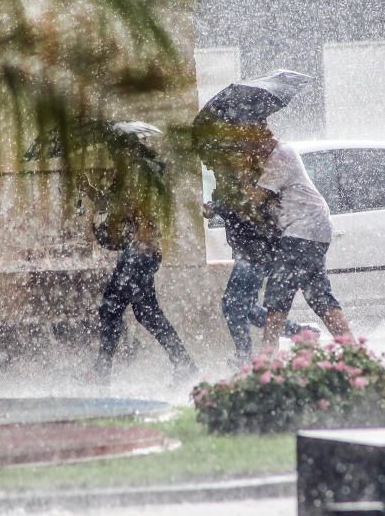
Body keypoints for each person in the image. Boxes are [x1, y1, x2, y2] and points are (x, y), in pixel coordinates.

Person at [80, 122, 198, 386]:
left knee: (111, 307)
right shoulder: (127, 173)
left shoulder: (139, 173)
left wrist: (109, 225)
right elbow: (112, 205)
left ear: (126, 148)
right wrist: (89, 189)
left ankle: (103, 373)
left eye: (113, 149)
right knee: (144, 312)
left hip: (141, 252)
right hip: (137, 252)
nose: (111, 154)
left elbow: (127, 211)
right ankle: (184, 363)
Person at [196, 122, 310, 364]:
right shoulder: (226, 176)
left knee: (232, 305)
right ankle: (299, 332)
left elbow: (251, 207)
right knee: (246, 307)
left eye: (209, 156)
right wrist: (214, 208)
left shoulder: (247, 171)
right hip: (246, 249)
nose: (207, 163)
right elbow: (233, 207)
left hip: (258, 249)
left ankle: (244, 357)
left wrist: (221, 206)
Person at [239, 122, 352, 352]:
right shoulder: (274, 156)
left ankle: (267, 358)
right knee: (318, 294)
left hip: (303, 228)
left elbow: (255, 199)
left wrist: (241, 175)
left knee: (279, 292)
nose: (249, 149)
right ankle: (354, 351)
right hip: (311, 228)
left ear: (261, 136)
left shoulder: (280, 155)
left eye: (250, 143)